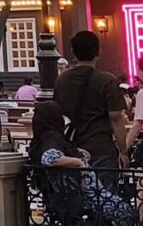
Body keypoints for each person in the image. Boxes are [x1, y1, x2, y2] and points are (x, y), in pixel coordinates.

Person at [29, 95, 135, 226]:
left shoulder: (42, 139)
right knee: (123, 211)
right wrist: (78, 162)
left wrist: (77, 152)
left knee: (116, 210)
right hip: (78, 198)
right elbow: (49, 158)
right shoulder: (52, 138)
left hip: (69, 197)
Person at [50, 30, 130, 177]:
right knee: (103, 189)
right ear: (98, 51)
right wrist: (123, 151)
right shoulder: (107, 80)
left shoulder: (62, 80)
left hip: (72, 147)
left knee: (76, 189)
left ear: (73, 52)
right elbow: (116, 118)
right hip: (101, 148)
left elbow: (57, 114)